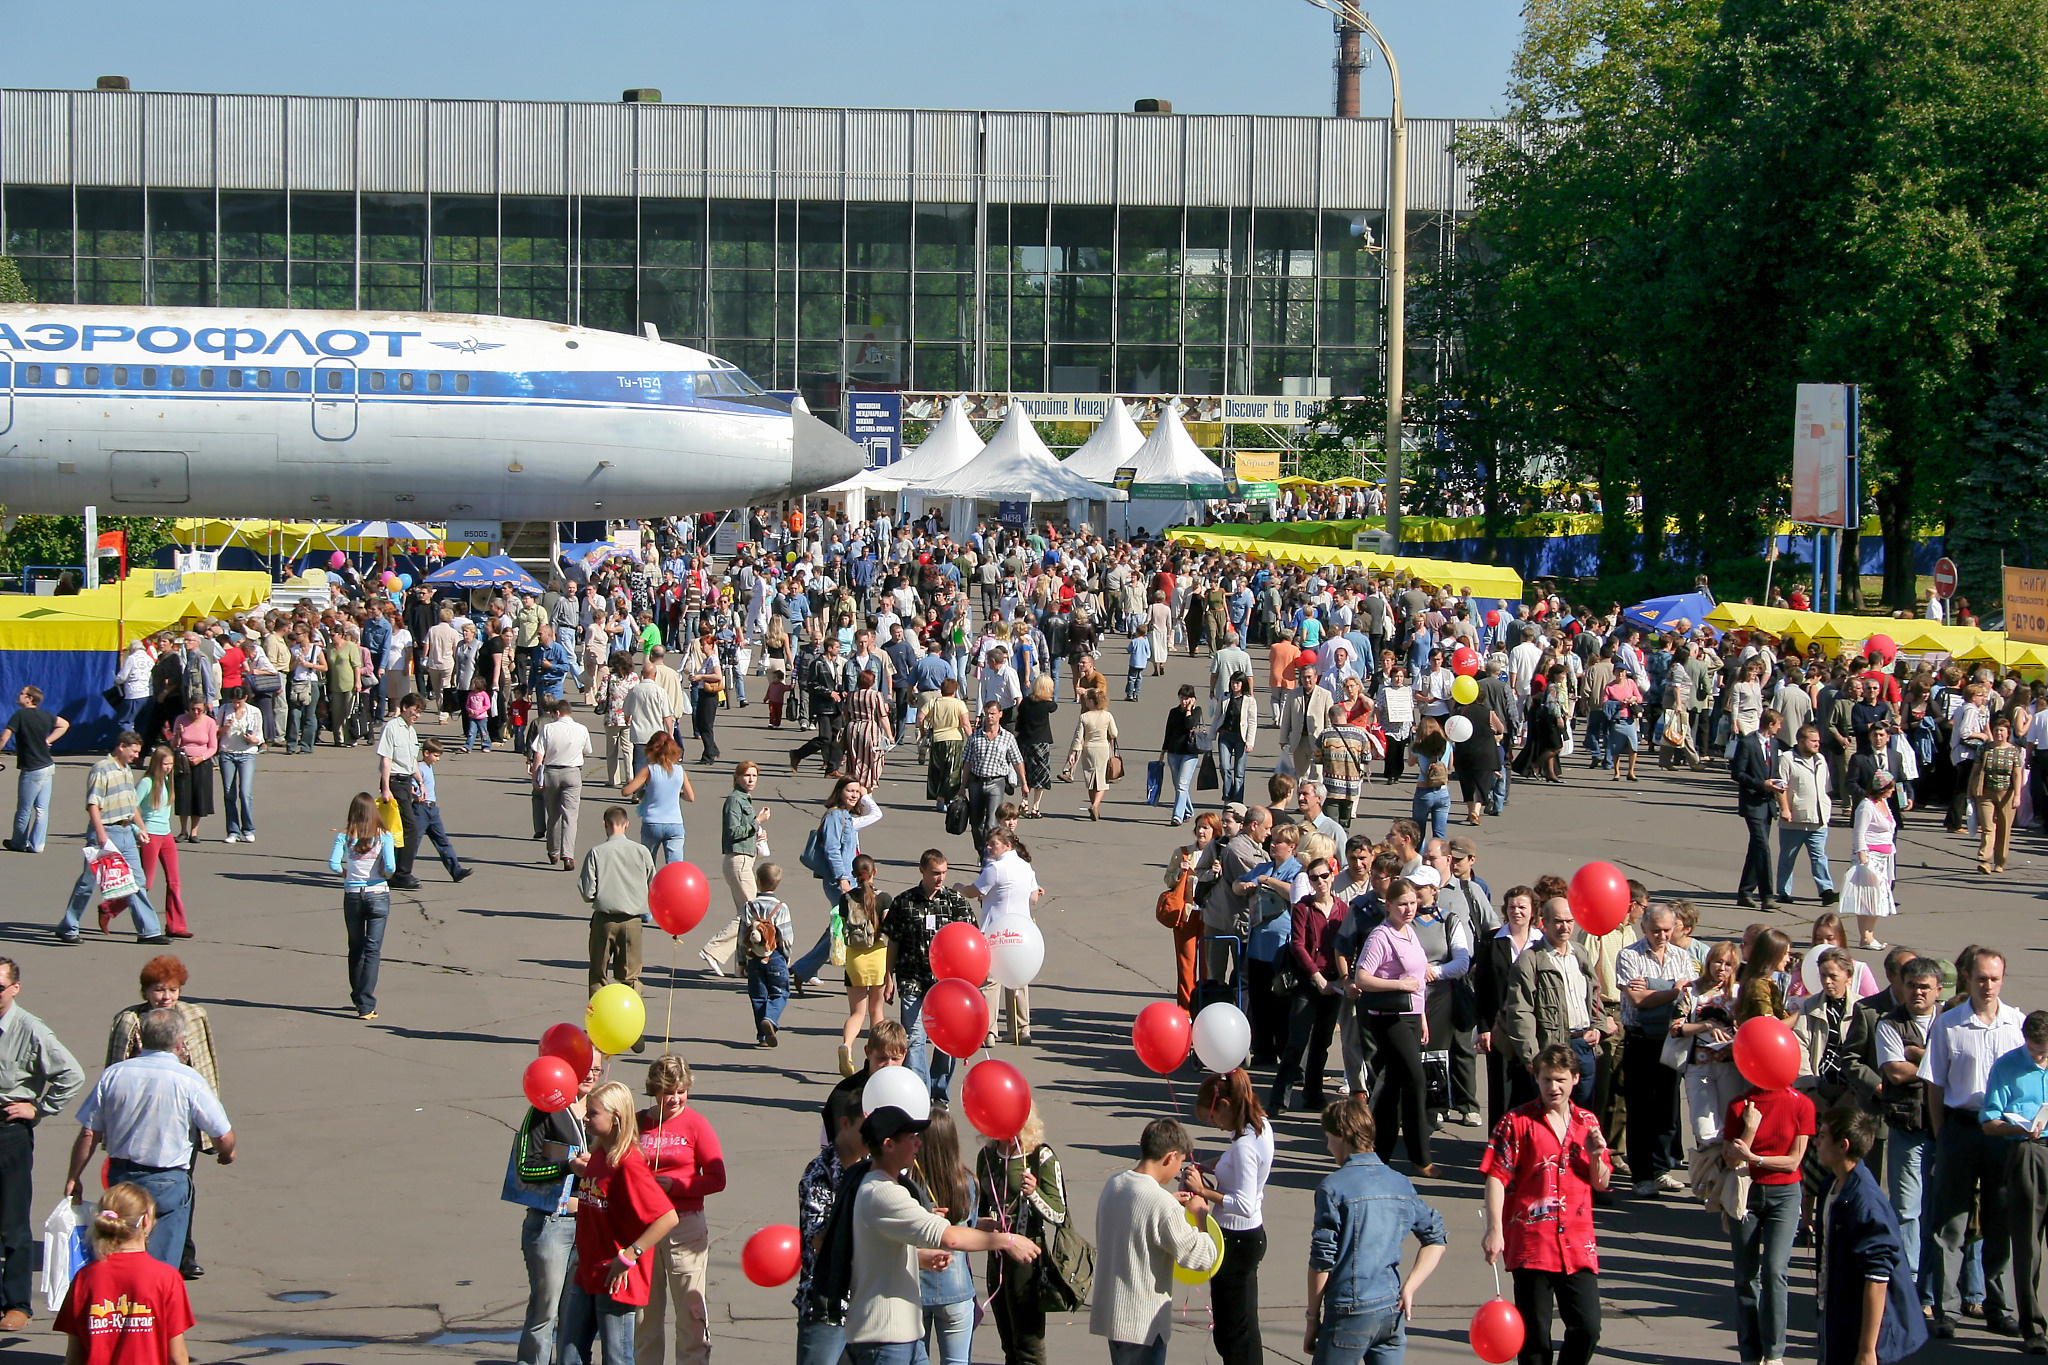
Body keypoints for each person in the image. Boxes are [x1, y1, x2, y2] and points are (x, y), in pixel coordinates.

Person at [848, 1106, 1039, 1365]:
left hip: (901, 1332)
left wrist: (920, 1258)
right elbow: (950, 1237)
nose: (918, 1142)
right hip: (885, 1337)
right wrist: (1008, 1240)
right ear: (889, 1145)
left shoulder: (890, 1186)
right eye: (910, 1137)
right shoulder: (884, 1192)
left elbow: (886, 1250)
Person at [63, 1008, 236, 1274]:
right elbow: (222, 1134)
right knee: (161, 1269)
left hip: (122, 1179)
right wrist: (227, 1153)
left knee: (120, 1258)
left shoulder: (114, 1074)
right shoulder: (189, 1080)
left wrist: (74, 1176)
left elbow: (89, 1131)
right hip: (168, 1182)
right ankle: (153, 1311)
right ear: (180, 1043)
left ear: (141, 1040)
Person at [1481, 1043, 1613, 1365]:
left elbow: (1602, 1182)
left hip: (1578, 1246)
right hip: (1532, 1244)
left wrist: (1597, 1157)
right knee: (1535, 1339)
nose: (1553, 1087)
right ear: (1536, 1079)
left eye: (1560, 1080)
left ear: (1575, 1079)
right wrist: (1494, 1230)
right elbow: (1496, 1177)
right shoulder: (1516, 1121)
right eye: (1546, 1080)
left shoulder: (1587, 1123)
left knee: (1587, 1327)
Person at [1921, 945, 2025, 1338]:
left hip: (2002, 1132)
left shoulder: (2016, 1024)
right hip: (1960, 1128)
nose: (1987, 986)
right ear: (1968, 978)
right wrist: (1941, 1133)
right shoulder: (1949, 1024)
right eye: (1981, 978)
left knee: (2000, 1218)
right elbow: (1934, 1084)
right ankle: (1946, 1308)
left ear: (2002, 979)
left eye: (1994, 979)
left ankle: (1999, 1305)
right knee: (1950, 1219)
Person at [1304, 1093, 1448, 1365]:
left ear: (1344, 1134)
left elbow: (1322, 1261)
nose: (1328, 1146)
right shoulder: (1400, 1183)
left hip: (1350, 1309)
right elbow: (1436, 1238)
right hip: (1390, 1307)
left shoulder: (1333, 1187)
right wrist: (1410, 1286)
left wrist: (1313, 1318)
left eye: (1329, 1137)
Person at [106, 956, 221, 1280]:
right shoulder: (130, 1021)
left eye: (172, 990)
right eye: (158, 990)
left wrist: (211, 1121)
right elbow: (113, 1068)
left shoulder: (195, 1016)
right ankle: (139, 1252)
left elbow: (207, 1065)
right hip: (140, 1119)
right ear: (146, 992)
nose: (166, 997)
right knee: (136, 1196)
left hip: (182, 1115)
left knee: (181, 1187)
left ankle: (183, 1255)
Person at [560, 1081, 679, 1365]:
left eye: (592, 1113)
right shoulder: (600, 1154)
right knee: (569, 1355)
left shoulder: (629, 1164)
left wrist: (629, 1256)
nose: (584, 1118)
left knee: (616, 1358)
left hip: (616, 1278)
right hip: (587, 1269)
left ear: (616, 1119)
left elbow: (667, 1217)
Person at [1090, 1117, 1220, 1365]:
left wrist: (1169, 1201)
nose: (1178, 1171)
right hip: (1143, 1322)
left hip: (1114, 1315)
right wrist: (1200, 1213)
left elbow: (1136, 1214)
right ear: (1170, 1157)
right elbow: (1201, 1257)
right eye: (1181, 1163)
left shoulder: (1115, 1184)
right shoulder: (1162, 1204)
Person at [0, 956, 85, 1331]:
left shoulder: (30, 1029)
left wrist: (39, 1109)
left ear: (15, 989)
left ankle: (17, 1303)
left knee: (12, 1221)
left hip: (8, 1132)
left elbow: (72, 1074)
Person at [1814, 1105, 1929, 1365]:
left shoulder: (1864, 1202)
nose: (1817, 1141)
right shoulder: (1830, 1187)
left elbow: (1877, 1278)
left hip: (1864, 1331)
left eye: (1822, 1135)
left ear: (1843, 1145)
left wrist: (1867, 1350)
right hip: (1836, 1315)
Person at [1724, 1054, 1817, 1365]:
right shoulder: (1740, 1105)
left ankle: (1774, 1354)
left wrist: (1754, 1157)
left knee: (1776, 1271)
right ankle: (1750, 1355)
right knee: (1745, 1276)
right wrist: (1749, 1131)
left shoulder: (1801, 1104)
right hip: (1746, 1193)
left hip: (1785, 1195)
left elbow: (1793, 1161)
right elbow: (1730, 1160)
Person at [1177, 1070, 1273, 1365]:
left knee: (1234, 1333)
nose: (1214, 1125)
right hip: (1246, 1237)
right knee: (1239, 1326)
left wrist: (1203, 1192)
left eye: (1213, 1118)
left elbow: (1242, 1203)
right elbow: (1234, 1159)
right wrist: (1209, 1166)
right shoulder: (1258, 1128)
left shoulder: (1244, 1147)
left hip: (1236, 1239)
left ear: (1226, 1107)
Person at [635, 1054, 725, 1365]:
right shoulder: (638, 1122)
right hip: (643, 1228)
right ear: (653, 1090)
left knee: (690, 1313)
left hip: (684, 1227)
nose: (675, 1098)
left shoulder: (696, 1123)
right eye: (667, 1091)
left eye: (681, 1091)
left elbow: (717, 1179)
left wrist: (678, 1187)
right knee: (644, 1316)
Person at [511, 1056, 598, 1365]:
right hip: (552, 1224)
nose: (590, 1074)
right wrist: (567, 1166)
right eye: (584, 1067)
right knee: (545, 1309)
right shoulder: (544, 1108)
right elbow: (524, 1168)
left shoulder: (602, 1112)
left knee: (574, 1313)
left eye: (597, 1069)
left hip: (590, 1226)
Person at [55, 1183, 195, 1365]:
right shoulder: (166, 1277)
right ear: (145, 1221)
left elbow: (74, 1356)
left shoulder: (85, 1277)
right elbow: (177, 1357)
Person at [1353, 876, 1435, 1176]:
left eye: (1413, 903)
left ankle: (1376, 1153)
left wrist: (1422, 1015)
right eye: (1402, 904)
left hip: (1412, 1016)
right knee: (1415, 1080)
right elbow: (1362, 977)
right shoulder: (1381, 936)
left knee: (1392, 1087)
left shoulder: (1410, 933)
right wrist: (1397, 984)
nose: (1409, 909)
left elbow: (1419, 984)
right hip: (1389, 1017)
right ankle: (1420, 1157)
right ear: (1388, 905)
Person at [883, 850, 978, 1103]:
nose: (941, 878)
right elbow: (893, 942)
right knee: (914, 1039)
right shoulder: (904, 902)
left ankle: (939, 1094)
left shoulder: (955, 902)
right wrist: (888, 977)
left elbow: (972, 943)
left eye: (944, 872)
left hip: (947, 986)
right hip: (912, 979)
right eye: (936, 873)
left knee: (947, 1043)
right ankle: (920, 1096)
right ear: (922, 871)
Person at [55, 730, 168, 944]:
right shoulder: (102, 769)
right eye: (133, 751)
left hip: (126, 832)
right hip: (107, 832)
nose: (136, 756)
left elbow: (132, 804)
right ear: (121, 747)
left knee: (137, 881)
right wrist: (100, 835)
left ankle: (149, 931)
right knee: (88, 882)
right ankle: (68, 927)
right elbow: (93, 804)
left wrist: (141, 828)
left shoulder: (126, 770)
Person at [1616, 904, 1697, 1197]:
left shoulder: (1681, 956)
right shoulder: (1630, 955)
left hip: (1672, 1039)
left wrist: (1655, 989)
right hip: (1640, 1039)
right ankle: (1642, 1175)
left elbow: (1690, 997)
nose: (1662, 936)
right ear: (1644, 929)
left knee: (1667, 1108)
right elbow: (1637, 999)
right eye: (1656, 931)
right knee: (1640, 1109)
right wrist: (1671, 991)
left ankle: (1662, 1168)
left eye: (1667, 930)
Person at [1501, 898, 1612, 1110]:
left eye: (1570, 921)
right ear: (1545, 922)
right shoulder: (1530, 960)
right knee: (1551, 1112)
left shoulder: (1579, 953)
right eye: (1559, 921)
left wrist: (1599, 1027)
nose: (1565, 927)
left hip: (1584, 1046)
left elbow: (1593, 993)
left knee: (1583, 1112)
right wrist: (1531, 1056)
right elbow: (1520, 1011)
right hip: (1551, 1049)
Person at [1873, 956, 1941, 1300]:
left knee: (1939, 1209)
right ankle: (1909, 1280)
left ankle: (1936, 1285)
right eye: (1912, 985)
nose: (1917, 992)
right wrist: (1936, 1062)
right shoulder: (1889, 1023)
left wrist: (1919, 1055)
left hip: (1943, 1130)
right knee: (1906, 1209)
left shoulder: (1950, 1020)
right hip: (1907, 1127)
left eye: (1925, 987)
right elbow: (1895, 1072)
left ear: (1937, 991)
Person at [976, 1103, 1065, 1365]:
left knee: (1029, 1348)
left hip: (1027, 1262)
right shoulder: (987, 1155)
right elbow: (980, 1210)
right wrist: (982, 1223)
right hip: (996, 1259)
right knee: (1009, 1347)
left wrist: (1034, 1193)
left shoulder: (1041, 1156)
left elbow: (1059, 1214)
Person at [1270, 852, 1345, 1116]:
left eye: (1324, 876)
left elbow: (1346, 946)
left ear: (1332, 877)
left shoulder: (1342, 909)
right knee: (1296, 1042)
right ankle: (1279, 1099)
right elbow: (1298, 945)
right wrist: (1316, 976)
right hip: (1308, 983)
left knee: (1322, 1044)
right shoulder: (1303, 908)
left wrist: (1340, 979)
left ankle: (1314, 1094)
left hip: (1334, 983)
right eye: (1314, 878)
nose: (1320, 882)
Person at [913, 1108, 979, 1365]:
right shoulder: (967, 1182)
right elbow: (968, 1227)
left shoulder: (910, 1184)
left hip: (916, 1287)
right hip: (957, 1287)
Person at [329, 792, 397, 1020]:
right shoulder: (384, 836)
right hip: (377, 893)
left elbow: (333, 864)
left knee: (355, 947)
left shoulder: (345, 836)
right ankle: (366, 1002)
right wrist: (383, 875)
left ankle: (359, 998)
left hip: (353, 895)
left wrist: (346, 873)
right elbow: (390, 867)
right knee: (373, 949)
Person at [580, 805, 655, 1011]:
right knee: (631, 976)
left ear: (605, 824)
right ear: (627, 825)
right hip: (633, 921)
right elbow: (654, 884)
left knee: (598, 973)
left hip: (605, 919)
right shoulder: (642, 852)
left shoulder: (596, 852)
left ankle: (599, 1023)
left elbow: (587, 893)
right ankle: (633, 1021)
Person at [837, 853, 893, 1076]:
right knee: (876, 1010)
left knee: (856, 1012)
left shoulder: (846, 899)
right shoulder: (884, 899)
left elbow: (842, 927)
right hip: (877, 956)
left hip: (855, 959)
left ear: (854, 875)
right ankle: (876, 1056)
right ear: (874, 872)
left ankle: (847, 1046)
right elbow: (889, 931)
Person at [1775, 723, 1836, 905]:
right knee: (1788, 858)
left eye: (1818, 741)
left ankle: (1826, 890)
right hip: (1795, 820)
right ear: (1801, 741)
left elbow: (1826, 788)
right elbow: (1780, 786)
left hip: (1819, 819)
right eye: (1813, 741)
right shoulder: (1787, 759)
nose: (1818, 744)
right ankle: (1783, 892)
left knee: (1819, 857)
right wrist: (1785, 809)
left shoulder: (1821, 760)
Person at [134, 746, 191, 940]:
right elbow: (131, 806)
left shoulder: (168, 781)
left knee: (174, 881)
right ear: (157, 764)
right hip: (150, 834)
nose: (168, 768)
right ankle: (109, 909)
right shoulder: (147, 783)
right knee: (146, 882)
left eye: (171, 765)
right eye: (165, 764)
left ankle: (176, 925)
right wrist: (138, 830)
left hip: (165, 834)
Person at [531, 697, 595, 871]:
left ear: (557, 713)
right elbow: (587, 751)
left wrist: (536, 777)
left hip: (551, 772)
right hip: (573, 772)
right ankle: (568, 855)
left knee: (553, 814)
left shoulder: (548, 729)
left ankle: (553, 851)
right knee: (570, 816)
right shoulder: (581, 729)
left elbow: (538, 755)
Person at [0, 685, 66, 853]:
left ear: (29, 699)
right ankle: (37, 844)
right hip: (48, 766)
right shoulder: (45, 715)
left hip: (32, 769)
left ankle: (18, 842)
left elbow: (4, 737)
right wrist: (48, 740)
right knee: (42, 808)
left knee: (24, 808)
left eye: (22, 693)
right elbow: (64, 724)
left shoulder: (19, 715)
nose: (18, 695)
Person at [1733, 709, 1787, 908]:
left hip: (1767, 804)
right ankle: (1767, 895)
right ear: (1770, 724)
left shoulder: (1774, 744)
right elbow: (1737, 773)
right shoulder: (1747, 743)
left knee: (1756, 848)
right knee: (1763, 847)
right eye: (1779, 724)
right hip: (1752, 803)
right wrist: (1761, 784)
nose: (1781, 728)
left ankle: (1745, 892)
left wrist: (1778, 786)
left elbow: (1774, 770)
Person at [960, 701, 1027, 856]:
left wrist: (1024, 782)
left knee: (991, 822)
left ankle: (989, 856)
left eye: (992, 713)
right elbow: (967, 763)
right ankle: (981, 850)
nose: (989, 717)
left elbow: (1017, 760)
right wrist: (963, 787)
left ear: (1000, 714)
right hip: (976, 782)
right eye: (987, 713)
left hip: (996, 783)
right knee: (976, 824)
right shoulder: (975, 737)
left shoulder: (1007, 738)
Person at [375, 693, 427, 890]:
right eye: (415, 711)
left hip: (406, 783)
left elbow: (411, 760)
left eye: (420, 712)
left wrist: (420, 782)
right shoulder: (392, 727)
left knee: (400, 829)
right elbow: (386, 760)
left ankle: (393, 868)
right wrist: (386, 787)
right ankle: (402, 873)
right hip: (394, 783)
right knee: (410, 827)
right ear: (405, 707)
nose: (417, 715)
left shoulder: (410, 731)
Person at [623, 731, 696, 868]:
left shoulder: (649, 770)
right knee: (675, 867)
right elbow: (690, 797)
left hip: (652, 822)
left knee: (648, 865)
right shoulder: (680, 771)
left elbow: (626, 791)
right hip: (675, 823)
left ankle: (650, 888)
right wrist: (676, 792)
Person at [1968, 713, 2024, 874]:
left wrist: (2018, 795)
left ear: (2008, 733)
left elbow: (2017, 774)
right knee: (1988, 827)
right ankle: (1985, 860)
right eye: (1997, 730)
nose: (1999, 733)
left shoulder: (2013, 751)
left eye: (2002, 731)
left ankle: (2000, 861)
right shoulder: (1986, 748)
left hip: (2007, 793)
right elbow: (1976, 770)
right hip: (1985, 792)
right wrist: (1970, 791)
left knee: (2004, 829)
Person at [409, 739, 471, 883]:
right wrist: (415, 796)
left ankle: (456, 870)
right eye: (435, 756)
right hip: (421, 810)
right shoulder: (418, 768)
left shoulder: (429, 767)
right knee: (413, 843)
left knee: (443, 841)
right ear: (426, 753)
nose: (437, 759)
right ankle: (402, 871)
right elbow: (411, 786)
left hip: (432, 810)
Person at [167, 694, 217, 844]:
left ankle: (194, 831)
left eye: (199, 710)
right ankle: (183, 830)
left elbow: (213, 747)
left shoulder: (209, 722)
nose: (195, 712)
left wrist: (201, 758)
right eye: (192, 709)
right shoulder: (181, 719)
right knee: (183, 796)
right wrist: (177, 734)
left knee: (198, 796)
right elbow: (174, 744)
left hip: (202, 762)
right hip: (183, 761)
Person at [216, 686, 263, 843]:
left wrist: (252, 740)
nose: (236, 705)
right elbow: (216, 732)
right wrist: (225, 727)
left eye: (239, 702)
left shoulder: (254, 712)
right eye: (234, 702)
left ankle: (248, 828)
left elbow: (259, 737)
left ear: (246, 698)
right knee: (229, 793)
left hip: (247, 754)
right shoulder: (224, 710)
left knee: (245, 793)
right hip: (227, 753)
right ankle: (233, 831)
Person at [1160, 685, 1205, 826]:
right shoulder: (1173, 712)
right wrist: (1163, 752)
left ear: (1193, 699)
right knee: (1178, 785)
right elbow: (1168, 732)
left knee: (1182, 785)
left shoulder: (1197, 711)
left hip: (1189, 753)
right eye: (1181, 698)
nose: (1183, 701)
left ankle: (1177, 816)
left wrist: (1189, 710)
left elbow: (1189, 725)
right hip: (1174, 752)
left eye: (1186, 699)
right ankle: (1189, 810)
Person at [921, 677, 970, 807]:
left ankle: (938, 796)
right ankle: (946, 798)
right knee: (952, 770)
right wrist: (971, 739)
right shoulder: (959, 704)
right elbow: (965, 724)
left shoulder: (934, 702)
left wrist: (922, 731)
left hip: (937, 739)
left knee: (937, 769)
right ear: (954, 691)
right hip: (954, 739)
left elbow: (920, 717)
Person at [1014, 673, 1058, 817]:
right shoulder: (1047, 705)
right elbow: (1054, 706)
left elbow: (1019, 723)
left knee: (1025, 773)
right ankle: (1036, 807)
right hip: (1040, 742)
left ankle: (1024, 800)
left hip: (1025, 741)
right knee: (1040, 775)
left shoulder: (1026, 703)